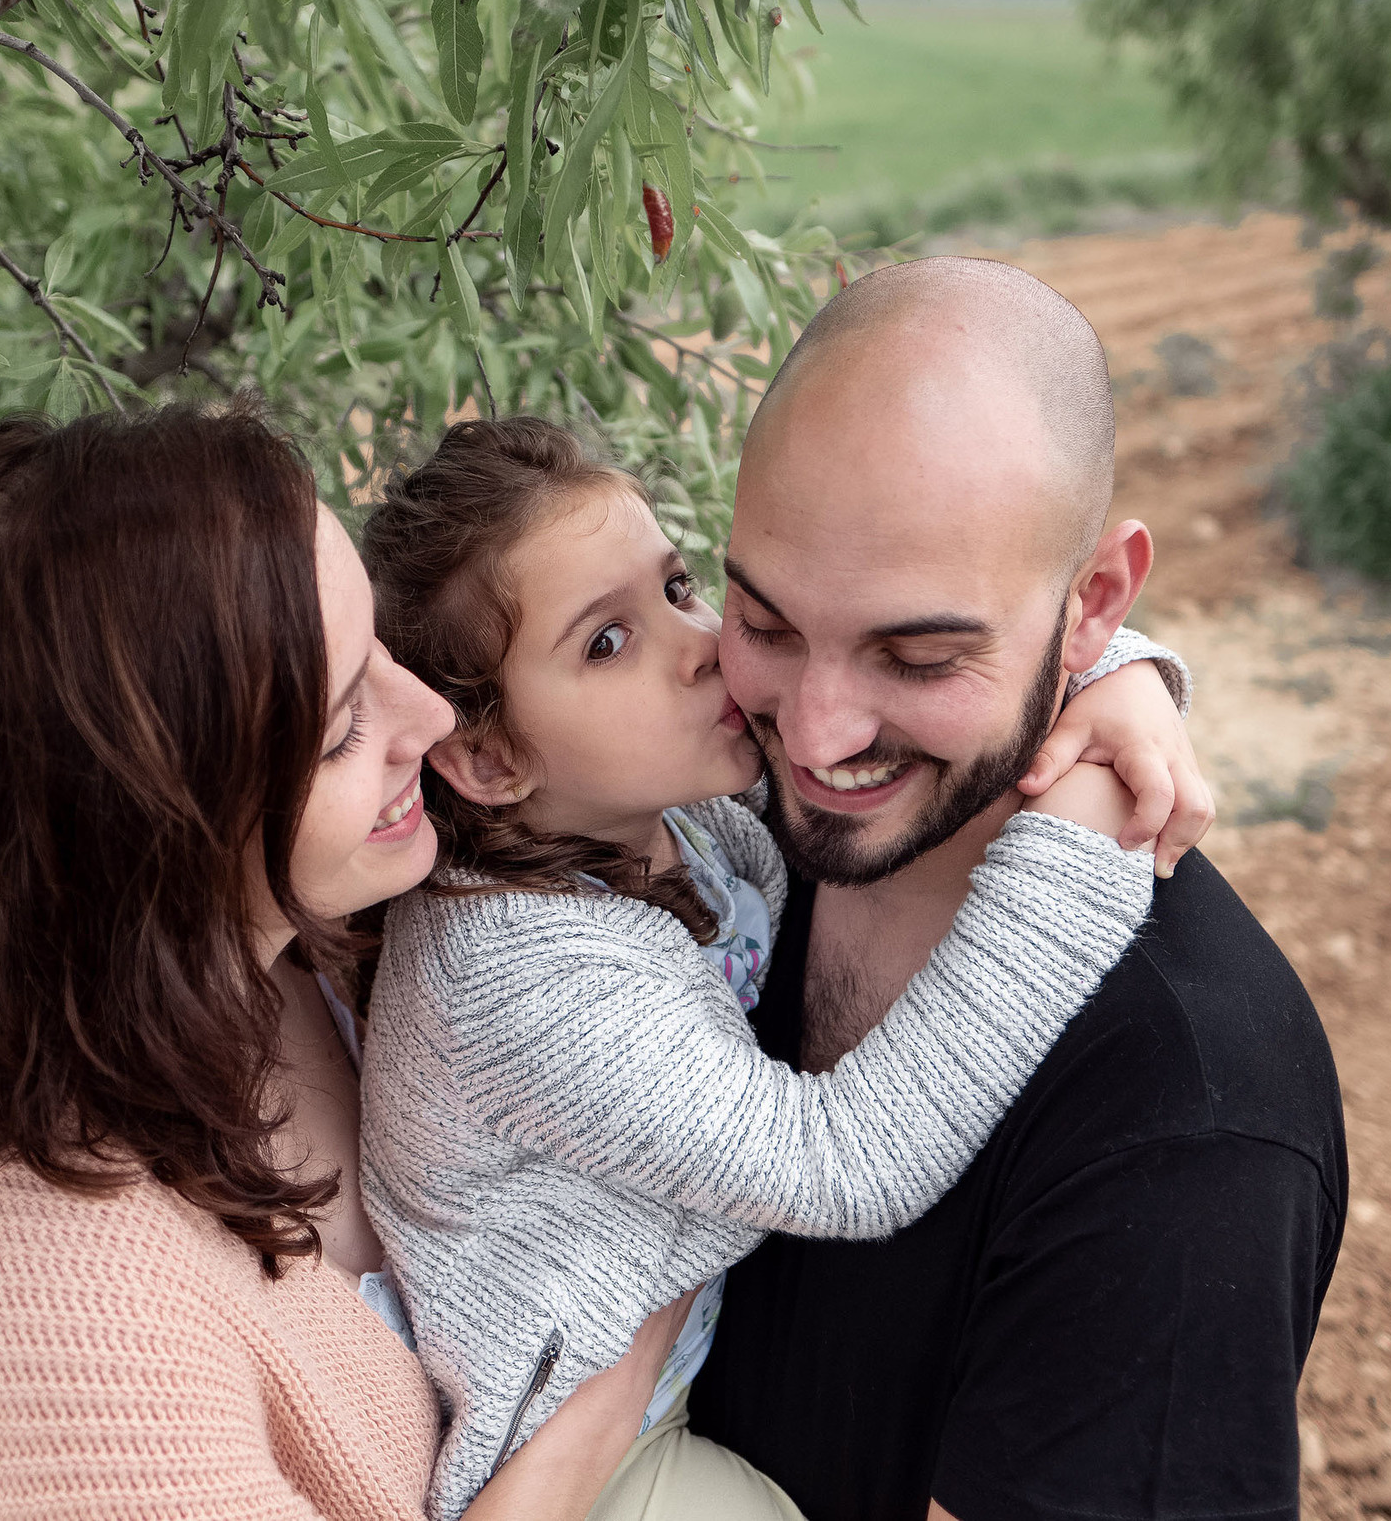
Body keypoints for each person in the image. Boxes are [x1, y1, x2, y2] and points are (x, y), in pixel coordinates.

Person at [0, 406, 693, 1521]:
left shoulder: (318, 946)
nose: (428, 717)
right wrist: (623, 1367)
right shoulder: (49, 1352)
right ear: (144, 830)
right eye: (340, 726)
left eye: (382, 654)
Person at [354, 418, 1206, 1521]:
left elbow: (944, 686)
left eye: (674, 588)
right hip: (588, 1457)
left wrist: (1116, 679)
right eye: (606, 642)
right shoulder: (513, 975)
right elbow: (844, 1165)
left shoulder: (662, 809)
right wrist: (1082, 842)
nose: (699, 642)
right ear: (488, 758)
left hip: (672, 1358)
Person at [685, 257, 1350, 1521]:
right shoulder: (701, 831)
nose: (814, 738)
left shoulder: (1185, 1119)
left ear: (1093, 603)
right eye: (764, 625)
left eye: (919, 656)